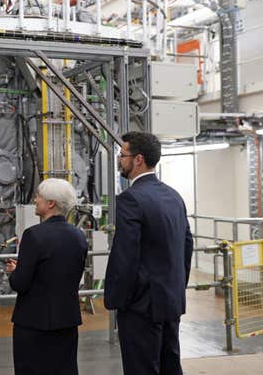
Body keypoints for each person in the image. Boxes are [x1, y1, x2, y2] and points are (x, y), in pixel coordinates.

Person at [104, 131, 193, 375]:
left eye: (123, 155)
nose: (120, 160)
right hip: (170, 301)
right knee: (170, 365)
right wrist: (176, 287)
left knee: (141, 368)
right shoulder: (174, 196)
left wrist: (118, 299)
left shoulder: (131, 199)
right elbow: (187, 245)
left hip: (141, 307)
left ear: (138, 159)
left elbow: (126, 255)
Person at [6, 178, 87, 375]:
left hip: (34, 321)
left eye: (39, 197)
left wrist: (14, 272)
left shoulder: (33, 235)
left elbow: (21, 283)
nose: (35, 200)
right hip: (67, 320)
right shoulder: (78, 236)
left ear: (51, 203)